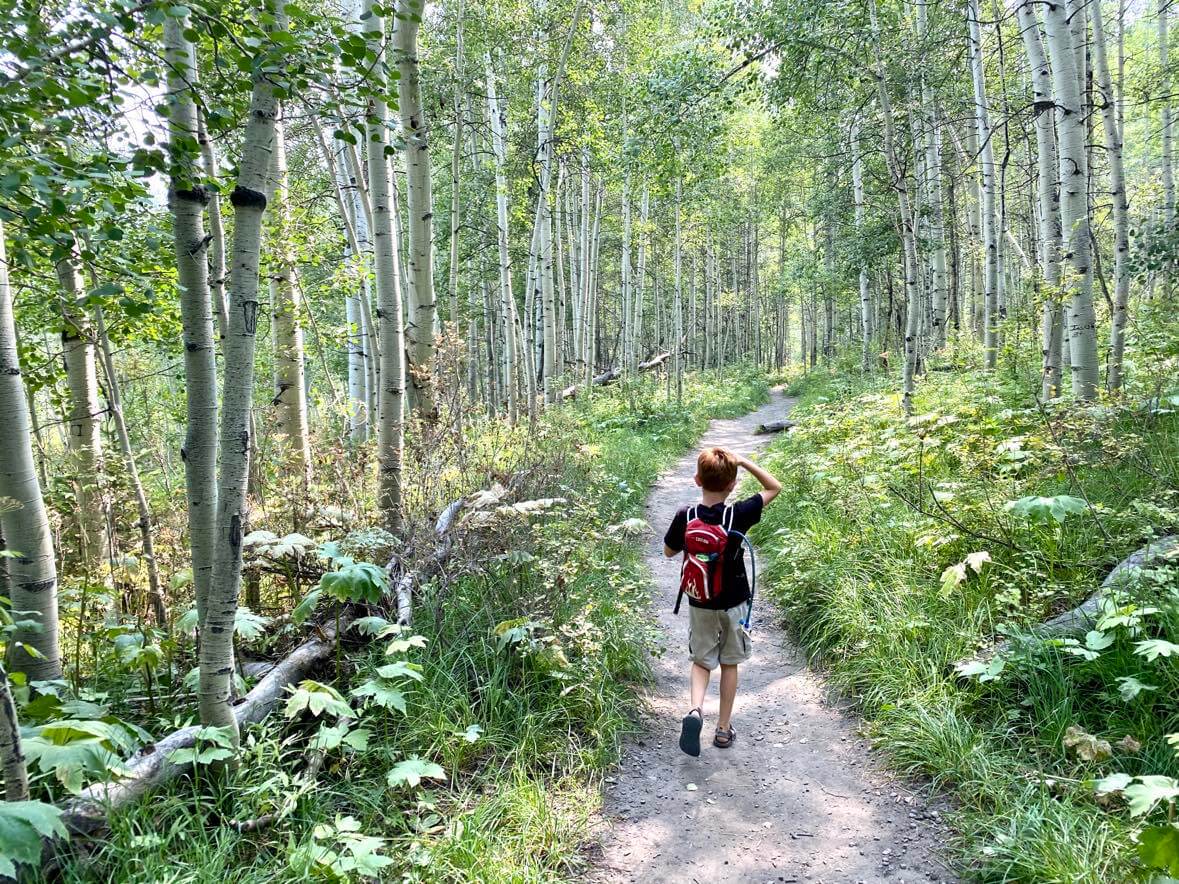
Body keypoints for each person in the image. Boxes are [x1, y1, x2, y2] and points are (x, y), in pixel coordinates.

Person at [663, 446, 781, 755]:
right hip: (734, 603)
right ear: (732, 485)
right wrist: (743, 461)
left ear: (696, 480)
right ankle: (724, 729)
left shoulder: (684, 515)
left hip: (699, 601)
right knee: (730, 663)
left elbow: (668, 552)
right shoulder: (738, 514)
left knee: (702, 662)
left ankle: (695, 711)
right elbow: (774, 487)